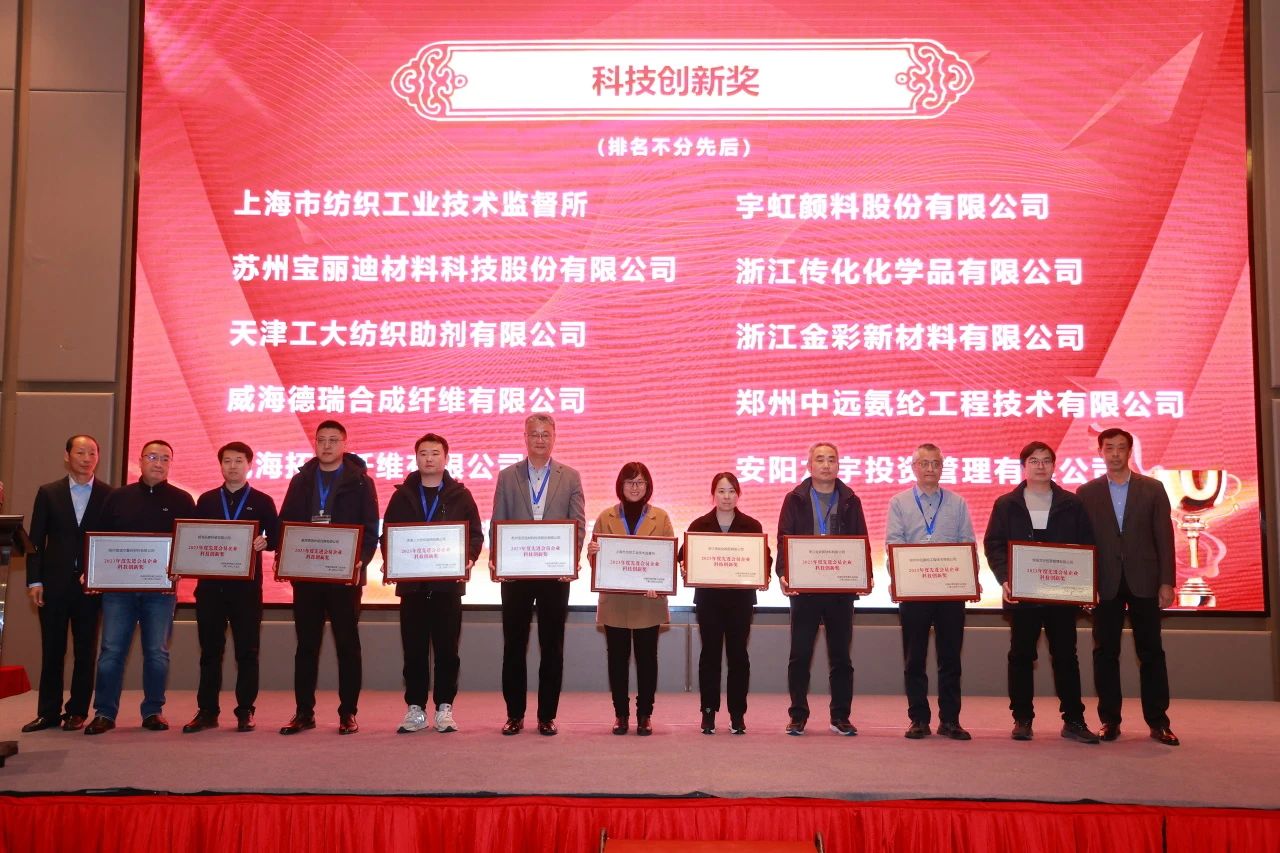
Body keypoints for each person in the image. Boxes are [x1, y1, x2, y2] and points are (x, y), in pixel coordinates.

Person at [983, 441, 1099, 744]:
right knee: (1021, 656)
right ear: (1024, 466)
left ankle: (1073, 720)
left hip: (1061, 595)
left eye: (1046, 460)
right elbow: (994, 545)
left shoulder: (1071, 503)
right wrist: (1005, 579)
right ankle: (1022, 719)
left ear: (1054, 465)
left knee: (1066, 657)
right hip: (1023, 595)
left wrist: (1086, 585)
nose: (1040, 466)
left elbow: (1087, 545)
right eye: (1034, 461)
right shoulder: (1007, 504)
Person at [85, 440, 196, 735]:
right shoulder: (117, 497)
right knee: (111, 651)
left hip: (161, 592)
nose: (158, 463)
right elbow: (99, 539)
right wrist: (94, 573)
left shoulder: (183, 500)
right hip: (118, 592)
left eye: (165, 459)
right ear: (141, 460)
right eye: (153, 457)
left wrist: (181, 566)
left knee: (157, 653)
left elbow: (190, 544)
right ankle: (104, 713)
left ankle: (153, 712)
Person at [1076, 428, 1179, 746]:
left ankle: (1158, 722)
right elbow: (1082, 542)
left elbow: (1164, 537)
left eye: (1121, 448)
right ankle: (1109, 721)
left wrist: (1167, 581)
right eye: (1109, 448)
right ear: (1100, 452)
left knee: (1151, 652)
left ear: (1130, 452)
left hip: (1145, 580)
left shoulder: (1152, 488)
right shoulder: (1086, 492)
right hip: (1104, 582)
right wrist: (1084, 584)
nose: (1115, 454)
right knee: (1105, 653)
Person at [277, 420, 379, 735]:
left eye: (333, 440)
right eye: (321, 440)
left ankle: (348, 713)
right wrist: (285, 558)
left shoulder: (361, 482)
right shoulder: (301, 480)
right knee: (306, 646)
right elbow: (285, 523)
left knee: (347, 646)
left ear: (344, 444)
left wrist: (361, 561)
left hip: (345, 578)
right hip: (307, 577)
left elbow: (370, 529)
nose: (327, 446)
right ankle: (303, 712)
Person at [382, 432, 483, 734]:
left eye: (435, 453)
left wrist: (469, 557)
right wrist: (391, 558)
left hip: (447, 587)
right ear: (416, 458)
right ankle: (415, 708)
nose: (429, 459)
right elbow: (388, 534)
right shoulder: (402, 495)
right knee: (413, 651)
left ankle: (444, 708)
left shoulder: (460, 495)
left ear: (446, 458)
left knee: (447, 651)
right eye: (423, 453)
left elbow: (475, 535)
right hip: (412, 588)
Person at [490, 414, 585, 736]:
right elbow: (498, 521)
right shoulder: (507, 476)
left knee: (552, 646)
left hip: (554, 576)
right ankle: (514, 715)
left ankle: (547, 716)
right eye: (534, 434)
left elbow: (578, 524)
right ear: (525, 438)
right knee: (514, 646)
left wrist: (570, 562)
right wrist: (497, 561)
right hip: (516, 574)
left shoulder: (570, 477)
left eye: (546, 434)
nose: (540, 439)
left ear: (554, 438)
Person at [182, 442, 279, 734]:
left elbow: (277, 536)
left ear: (249, 465)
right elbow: (192, 538)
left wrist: (266, 542)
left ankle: (245, 710)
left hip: (246, 590)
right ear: (220, 465)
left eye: (239, 461)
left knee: (247, 651)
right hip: (210, 589)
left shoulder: (262, 501)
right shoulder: (207, 500)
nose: (233, 466)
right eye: (227, 461)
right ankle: (207, 711)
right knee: (210, 651)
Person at [885, 443, 976, 741]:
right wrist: (898, 578)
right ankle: (918, 719)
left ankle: (950, 720)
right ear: (913, 467)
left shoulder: (957, 503)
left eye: (935, 463)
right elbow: (893, 543)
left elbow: (967, 543)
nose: (930, 469)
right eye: (924, 463)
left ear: (942, 467)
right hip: (914, 593)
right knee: (915, 659)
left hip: (950, 593)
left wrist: (970, 578)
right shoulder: (899, 502)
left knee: (950, 659)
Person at [23, 435, 113, 733]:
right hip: (53, 584)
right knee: (52, 650)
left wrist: (101, 574)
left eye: (92, 453)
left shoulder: (108, 495)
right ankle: (47, 712)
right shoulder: (49, 492)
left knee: (86, 651)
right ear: (67, 456)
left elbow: (111, 542)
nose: (86, 459)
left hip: (91, 586)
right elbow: (36, 541)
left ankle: (77, 711)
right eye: (80, 452)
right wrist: (35, 580)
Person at [777, 441, 867, 736]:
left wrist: (864, 574)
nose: (826, 465)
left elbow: (861, 540)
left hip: (840, 590)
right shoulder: (795, 498)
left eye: (831, 459)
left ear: (838, 465)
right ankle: (797, 715)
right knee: (799, 655)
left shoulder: (851, 499)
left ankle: (840, 716)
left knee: (841, 657)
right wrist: (783, 573)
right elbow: (784, 538)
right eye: (820, 459)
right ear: (809, 465)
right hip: (805, 589)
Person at [586, 462, 674, 736]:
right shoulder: (606, 516)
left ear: (648, 486)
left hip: (648, 602)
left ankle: (645, 714)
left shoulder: (661, 517)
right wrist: (593, 553)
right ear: (620, 485)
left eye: (640, 482)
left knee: (647, 660)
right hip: (615, 602)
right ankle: (621, 715)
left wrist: (659, 584)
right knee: (617, 660)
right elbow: (596, 563)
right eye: (629, 482)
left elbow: (667, 559)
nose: (635, 487)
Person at [683, 472, 770, 735]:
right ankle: (708, 713)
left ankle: (737, 714)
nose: (727, 496)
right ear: (713, 494)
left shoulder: (751, 526)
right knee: (709, 656)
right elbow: (683, 556)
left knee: (738, 656)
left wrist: (763, 574)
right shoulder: (699, 525)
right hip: (708, 602)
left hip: (740, 602)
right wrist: (686, 568)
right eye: (721, 491)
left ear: (738, 494)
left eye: (732, 491)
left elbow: (765, 558)